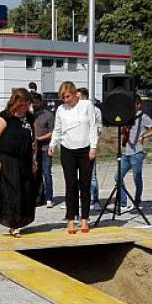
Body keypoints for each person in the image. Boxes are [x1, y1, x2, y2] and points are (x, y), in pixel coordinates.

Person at [49, 81, 98, 234]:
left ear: (75, 93)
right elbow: (57, 129)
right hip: (67, 150)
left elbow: (93, 126)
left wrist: (93, 146)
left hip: (85, 150)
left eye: (68, 96)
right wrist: (52, 144)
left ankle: (85, 219)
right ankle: (71, 219)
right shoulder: (60, 110)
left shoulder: (86, 105)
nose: (66, 100)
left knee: (85, 184)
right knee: (71, 184)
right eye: (63, 98)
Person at [0, 89, 38, 237]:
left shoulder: (29, 118)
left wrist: (34, 160)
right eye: (24, 104)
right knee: (13, 190)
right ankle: (13, 224)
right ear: (17, 103)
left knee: (26, 190)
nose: (26, 107)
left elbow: (33, 140)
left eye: (28, 104)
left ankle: (21, 221)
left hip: (24, 158)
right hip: (7, 158)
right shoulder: (5, 116)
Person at [118, 95, 152, 211]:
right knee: (117, 177)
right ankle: (123, 202)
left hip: (137, 152)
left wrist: (143, 135)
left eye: (133, 105)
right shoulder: (127, 117)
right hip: (126, 152)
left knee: (137, 177)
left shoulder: (143, 117)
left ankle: (137, 201)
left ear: (138, 105)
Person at [77, 88, 103, 210]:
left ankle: (95, 199)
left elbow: (99, 128)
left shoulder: (95, 110)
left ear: (85, 97)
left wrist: (93, 144)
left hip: (89, 146)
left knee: (91, 175)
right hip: (76, 146)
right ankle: (78, 200)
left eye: (79, 97)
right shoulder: (74, 110)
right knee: (76, 176)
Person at [31, 93, 55, 208]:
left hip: (45, 148)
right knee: (36, 173)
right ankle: (38, 197)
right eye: (33, 103)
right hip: (34, 150)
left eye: (36, 103)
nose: (34, 105)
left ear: (40, 102)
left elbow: (52, 132)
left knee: (47, 173)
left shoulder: (48, 115)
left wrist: (39, 138)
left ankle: (49, 197)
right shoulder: (30, 116)